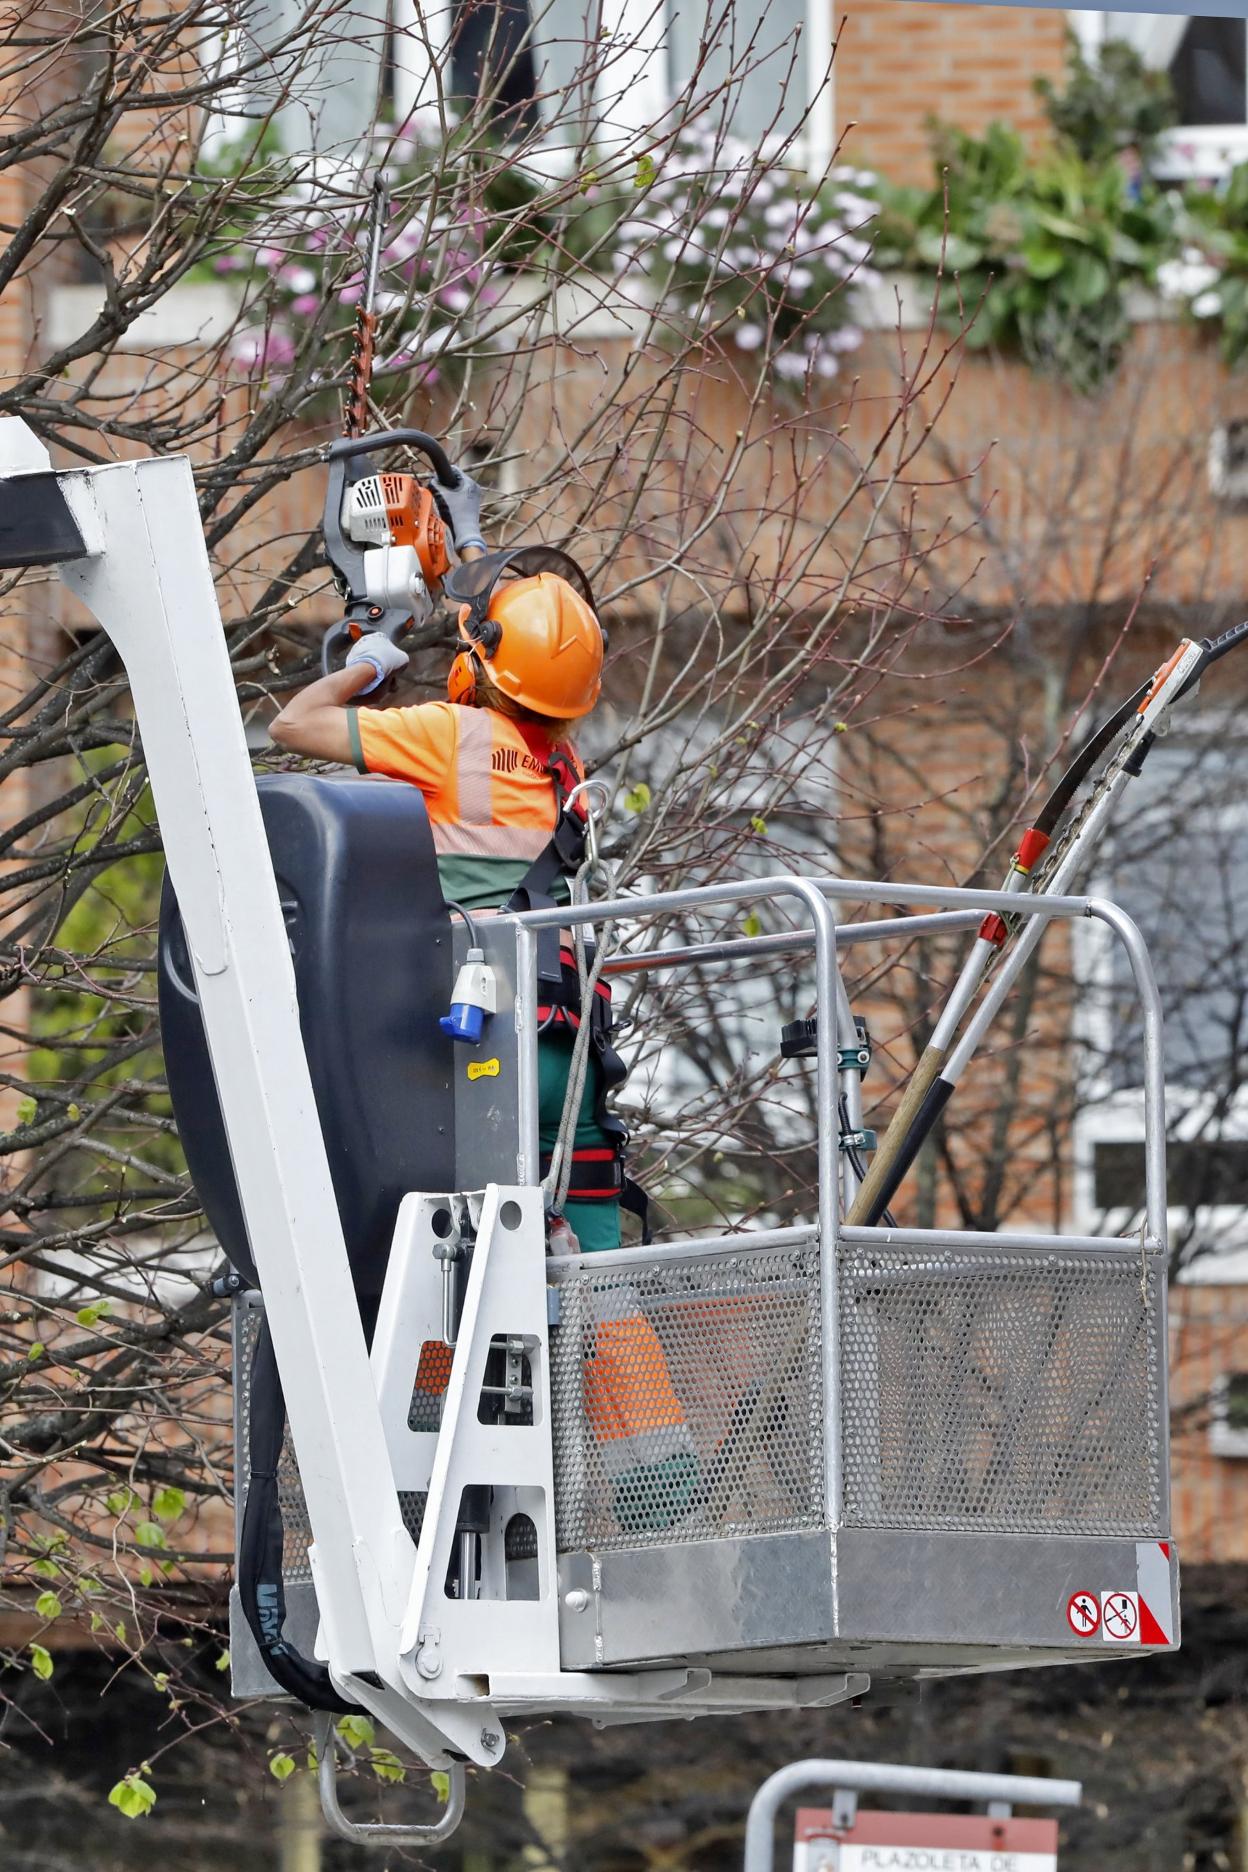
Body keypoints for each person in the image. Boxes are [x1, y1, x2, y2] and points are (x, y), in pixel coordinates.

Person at [269, 468, 626, 1254]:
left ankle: (430, 1384)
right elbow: (516, 638)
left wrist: (371, 660)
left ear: (486, 660)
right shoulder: (564, 775)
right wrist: (464, 544)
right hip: (570, 1057)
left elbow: (292, 726)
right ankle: (639, 1382)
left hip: (483, 1052)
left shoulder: (445, 737)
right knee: (597, 1282)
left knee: (453, 1282)